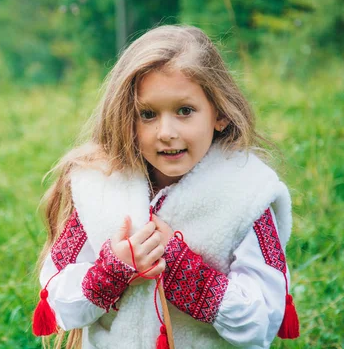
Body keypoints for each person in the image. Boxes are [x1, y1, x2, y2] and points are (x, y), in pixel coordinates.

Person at [32, 25, 299, 349]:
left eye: (184, 111)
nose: (166, 132)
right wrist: (112, 271)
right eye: (147, 114)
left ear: (220, 114)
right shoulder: (100, 187)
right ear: (125, 117)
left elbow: (262, 322)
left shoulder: (246, 195)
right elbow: (59, 302)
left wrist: (187, 276)